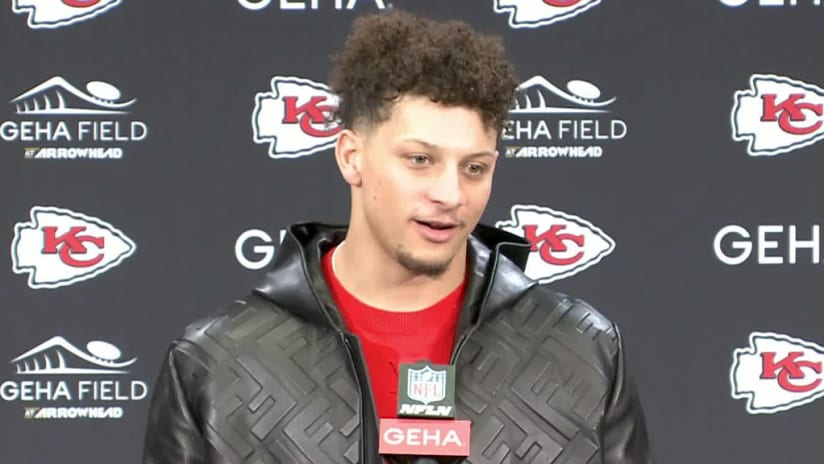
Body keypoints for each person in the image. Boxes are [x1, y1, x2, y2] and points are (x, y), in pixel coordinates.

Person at [142, 10, 651, 464]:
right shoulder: (216, 364)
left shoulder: (582, 351)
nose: (451, 194)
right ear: (351, 156)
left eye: (474, 167)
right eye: (420, 160)